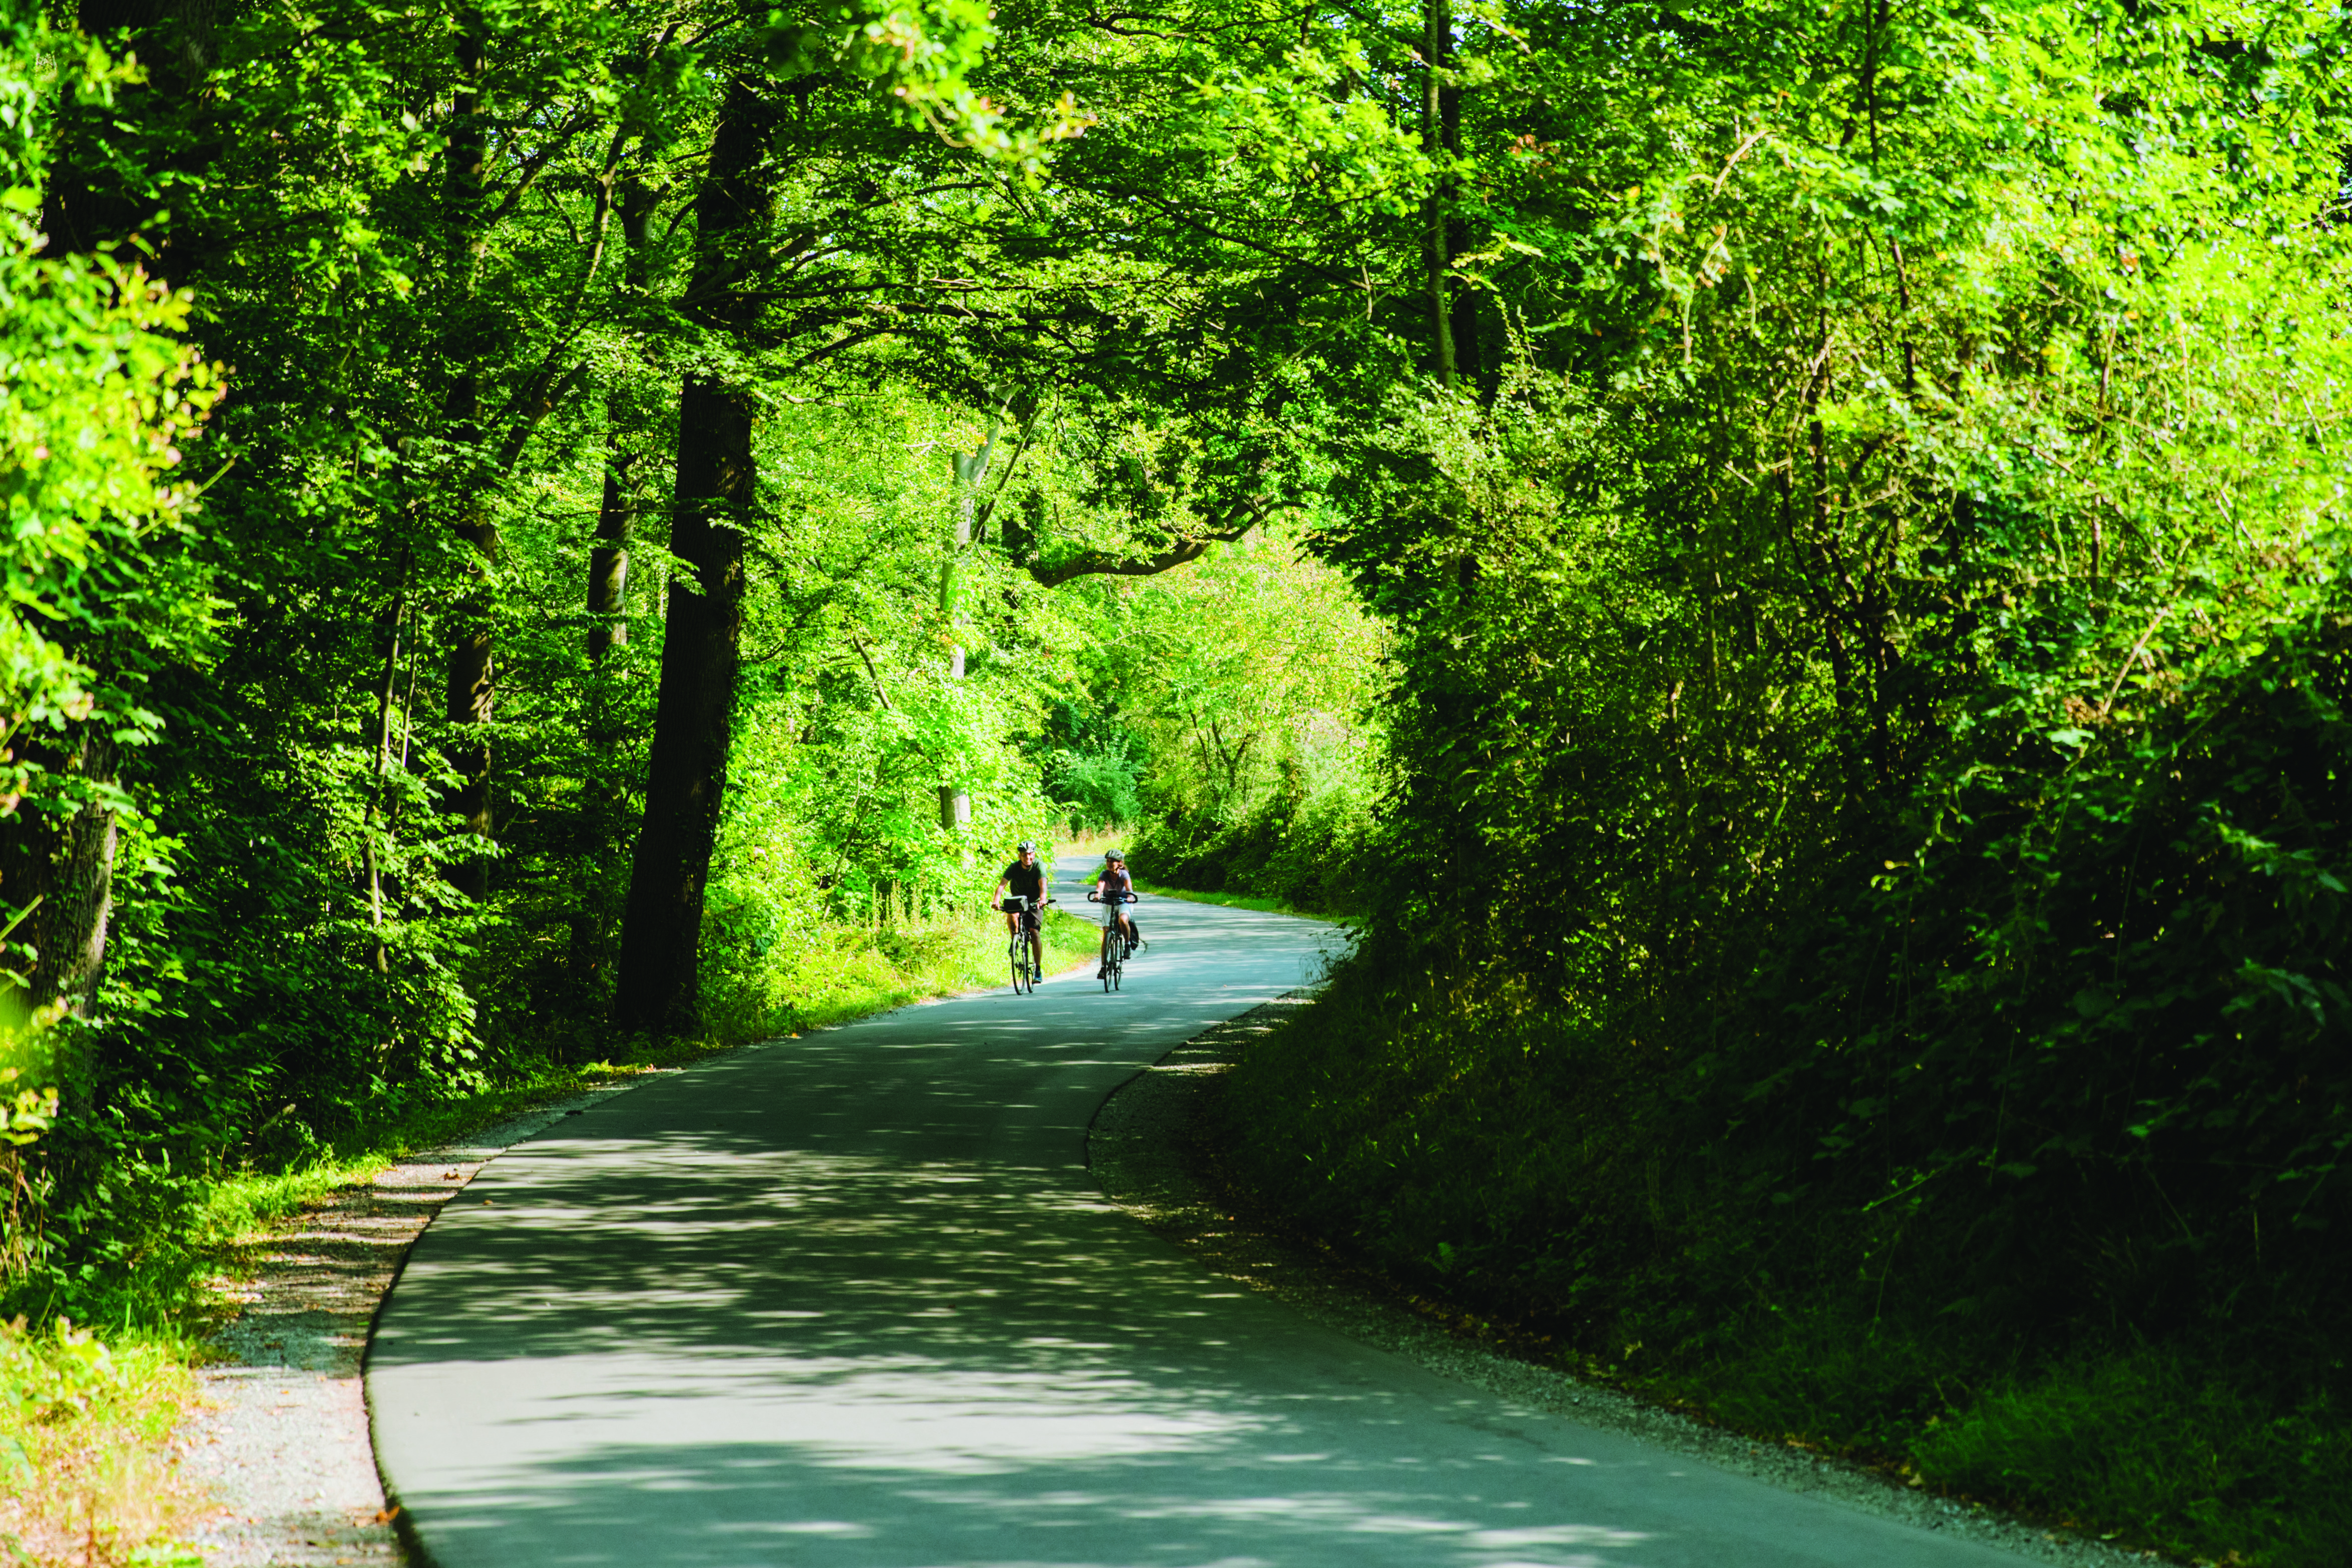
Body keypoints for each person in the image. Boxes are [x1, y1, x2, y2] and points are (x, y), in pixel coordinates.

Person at [993, 841, 1048, 978]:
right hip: (1018, 899)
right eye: (1024, 855)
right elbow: (1002, 885)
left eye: (1030, 855)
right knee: (1011, 913)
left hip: (1035, 902)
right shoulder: (1014, 867)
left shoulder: (1039, 866)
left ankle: (1038, 970)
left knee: (1034, 932)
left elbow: (1043, 884)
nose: (1027, 858)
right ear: (1020, 856)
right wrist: (996, 901)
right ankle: (1015, 941)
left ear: (1034, 855)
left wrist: (1043, 899)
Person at [1095, 849, 1139, 976]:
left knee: (1123, 920)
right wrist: (1098, 895)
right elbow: (1100, 886)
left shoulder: (1124, 874)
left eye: (1112, 862)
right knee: (1106, 933)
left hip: (1124, 902)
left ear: (1119, 863)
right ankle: (1104, 967)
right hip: (1108, 902)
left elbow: (1129, 888)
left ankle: (1127, 944)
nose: (1109, 864)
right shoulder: (1104, 874)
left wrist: (1130, 896)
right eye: (1108, 861)